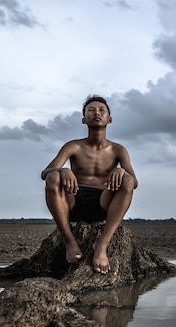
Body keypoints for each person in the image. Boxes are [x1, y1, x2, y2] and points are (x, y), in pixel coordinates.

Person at [41, 95, 138, 274]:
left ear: (109, 119)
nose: (97, 113)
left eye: (102, 110)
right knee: (53, 177)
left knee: (128, 180)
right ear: (84, 119)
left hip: (103, 203)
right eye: (91, 110)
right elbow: (44, 173)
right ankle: (70, 241)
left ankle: (101, 245)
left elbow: (134, 182)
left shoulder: (118, 150)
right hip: (73, 201)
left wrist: (121, 171)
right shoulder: (73, 146)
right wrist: (63, 170)